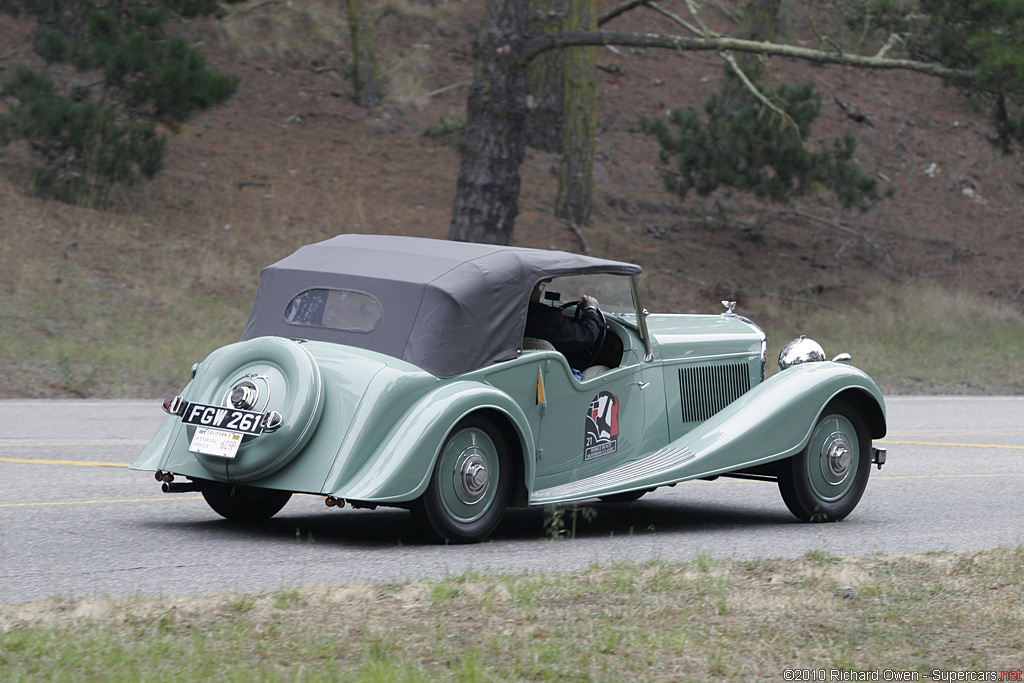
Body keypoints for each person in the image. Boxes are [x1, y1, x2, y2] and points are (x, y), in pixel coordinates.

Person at [524, 280, 604, 372]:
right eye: (539, 287)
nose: (540, 292)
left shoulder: (509, 313)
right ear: (529, 291)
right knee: (602, 369)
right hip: (548, 379)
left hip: (519, 371)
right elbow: (587, 336)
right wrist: (590, 309)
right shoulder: (544, 317)